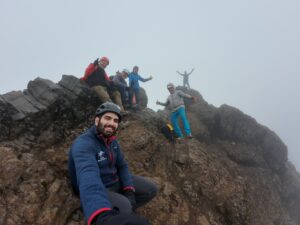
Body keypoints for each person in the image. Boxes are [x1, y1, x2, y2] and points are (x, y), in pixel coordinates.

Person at [68, 102, 157, 225]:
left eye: (115, 120)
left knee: (151, 189)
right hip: (99, 186)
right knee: (125, 207)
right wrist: (101, 216)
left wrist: (129, 190)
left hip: (114, 180)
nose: (112, 123)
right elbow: (87, 175)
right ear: (97, 120)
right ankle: (114, 212)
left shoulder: (112, 141)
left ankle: (121, 208)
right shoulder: (83, 144)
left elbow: (122, 166)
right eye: (107, 118)